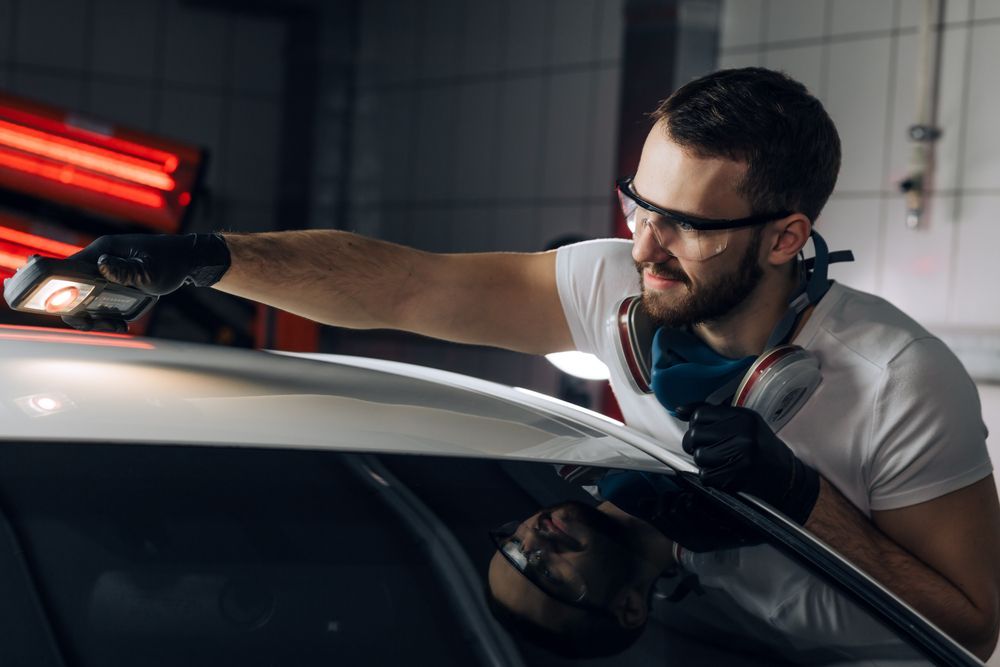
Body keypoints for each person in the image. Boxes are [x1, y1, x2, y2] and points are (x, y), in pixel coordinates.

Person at [56, 68, 999, 659]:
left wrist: (799, 498)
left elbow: (969, 625)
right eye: (638, 203)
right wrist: (205, 259)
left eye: (688, 225)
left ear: (789, 235)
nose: (644, 246)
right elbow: (404, 288)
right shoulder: (609, 286)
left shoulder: (896, 380)